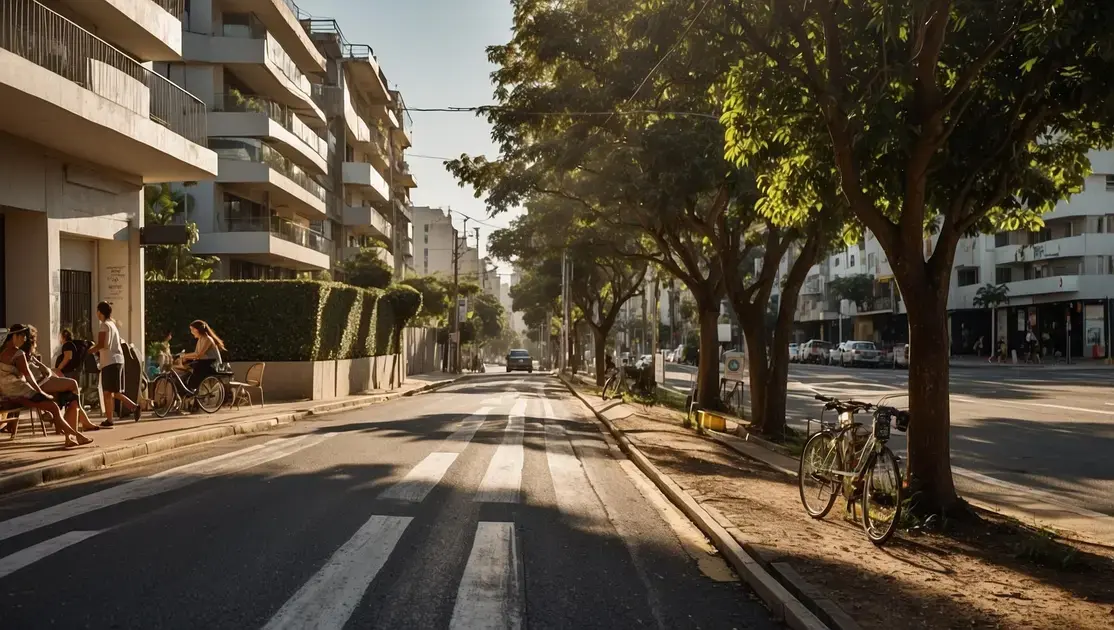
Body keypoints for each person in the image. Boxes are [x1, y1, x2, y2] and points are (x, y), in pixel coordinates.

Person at [0, 324, 92, 447]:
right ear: (15, 336)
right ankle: (75, 434)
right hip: (22, 392)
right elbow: (29, 377)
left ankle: (73, 435)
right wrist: (41, 393)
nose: (25, 340)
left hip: (12, 392)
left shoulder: (4, 351)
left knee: (58, 403)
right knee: (61, 400)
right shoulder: (18, 353)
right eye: (23, 337)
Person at [21, 325, 102, 433]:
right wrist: (55, 370)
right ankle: (72, 429)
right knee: (71, 390)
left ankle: (69, 427)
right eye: (35, 341)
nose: (36, 344)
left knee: (69, 395)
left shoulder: (30, 355)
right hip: (40, 383)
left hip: (45, 380)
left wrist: (52, 369)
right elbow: (32, 375)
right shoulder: (22, 355)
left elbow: (64, 360)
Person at [91, 301, 140, 427]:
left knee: (108, 392)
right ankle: (132, 408)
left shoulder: (104, 326)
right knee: (114, 392)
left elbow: (102, 344)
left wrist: (89, 350)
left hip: (109, 362)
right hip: (117, 360)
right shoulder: (112, 324)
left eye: (97, 311)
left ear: (100, 312)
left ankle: (111, 419)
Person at [180, 320, 225, 393]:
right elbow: (196, 354)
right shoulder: (200, 339)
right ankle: (189, 388)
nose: (191, 332)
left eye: (192, 330)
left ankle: (192, 388)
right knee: (188, 367)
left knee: (196, 368)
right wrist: (184, 357)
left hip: (213, 365)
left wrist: (184, 356)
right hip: (205, 363)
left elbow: (199, 354)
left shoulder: (208, 339)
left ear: (198, 330)